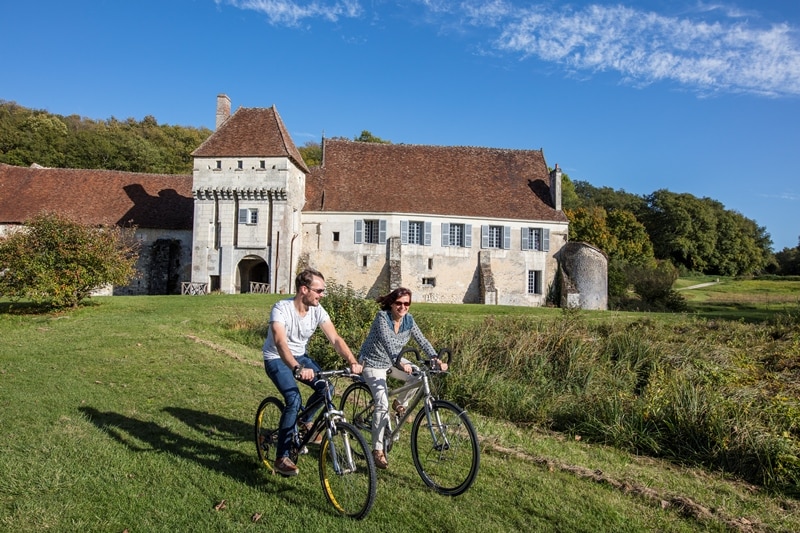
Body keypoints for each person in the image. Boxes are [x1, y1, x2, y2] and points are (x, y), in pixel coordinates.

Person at [262, 268, 362, 477]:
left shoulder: (317, 310)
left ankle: (304, 422)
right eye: (319, 290)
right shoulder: (281, 309)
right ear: (303, 289)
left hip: (301, 356)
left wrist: (352, 360)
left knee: (327, 388)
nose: (322, 295)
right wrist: (297, 368)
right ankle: (282, 456)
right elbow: (280, 343)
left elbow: (335, 339)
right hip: (277, 358)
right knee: (293, 399)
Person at [359, 287, 447, 469]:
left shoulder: (409, 320)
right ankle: (377, 450)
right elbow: (388, 343)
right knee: (381, 403)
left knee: (418, 375)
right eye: (398, 303)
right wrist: (399, 363)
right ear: (391, 304)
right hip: (373, 362)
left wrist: (435, 358)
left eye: (406, 303)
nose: (402, 307)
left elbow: (422, 340)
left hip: (394, 361)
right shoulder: (382, 318)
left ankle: (400, 403)